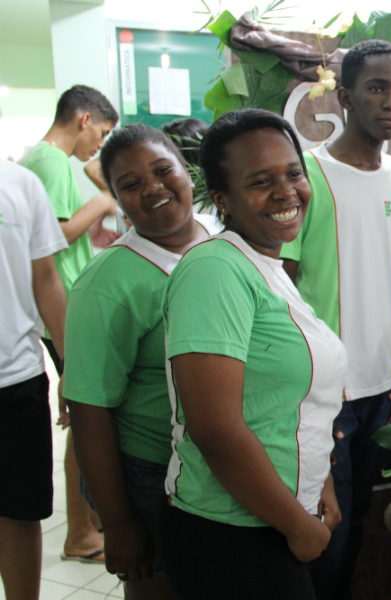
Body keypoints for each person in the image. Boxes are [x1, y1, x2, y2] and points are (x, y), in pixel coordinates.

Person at [158, 109, 345, 599]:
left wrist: (318, 483)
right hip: (231, 532)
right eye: (261, 181)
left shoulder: (267, 266)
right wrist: (299, 527)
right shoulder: (215, 270)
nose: (286, 191)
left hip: (278, 517)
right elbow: (215, 428)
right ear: (221, 198)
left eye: (293, 173)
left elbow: (287, 405)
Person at [279, 39, 391, 599]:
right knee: (322, 535)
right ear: (344, 97)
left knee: (361, 518)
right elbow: (281, 281)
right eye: (377, 88)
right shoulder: (307, 175)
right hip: (323, 391)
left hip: (382, 388)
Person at [63, 124, 220, 599]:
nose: (152, 188)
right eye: (130, 185)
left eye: (161, 170)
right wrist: (119, 522)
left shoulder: (223, 236)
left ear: (186, 173)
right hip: (151, 475)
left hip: (221, 466)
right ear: (115, 199)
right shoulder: (107, 283)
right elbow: (89, 411)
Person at [19, 84, 119, 563]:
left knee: (89, 418)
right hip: (67, 310)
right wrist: (104, 200)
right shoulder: (50, 163)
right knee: (86, 421)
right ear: (83, 119)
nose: (99, 145)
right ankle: (80, 530)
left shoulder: (45, 162)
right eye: (100, 133)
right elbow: (55, 237)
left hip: (70, 306)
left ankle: (89, 521)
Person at [0, 161, 69, 600]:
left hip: (16, 377)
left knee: (21, 513)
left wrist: (70, 366)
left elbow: (46, 279)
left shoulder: (20, 183)